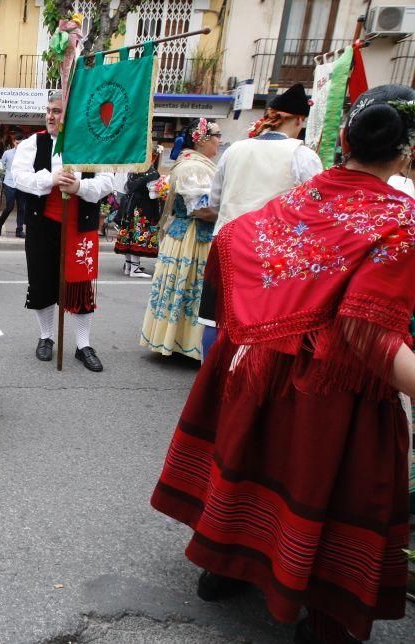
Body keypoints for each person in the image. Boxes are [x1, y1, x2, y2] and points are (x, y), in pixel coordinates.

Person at [151, 84, 415, 644]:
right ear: (405, 152)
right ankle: (323, 612)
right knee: (326, 490)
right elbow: (365, 332)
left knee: (248, 461)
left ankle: (223, 566)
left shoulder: (301, 197)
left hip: (258, 359)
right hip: (330, 387)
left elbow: (237, 243)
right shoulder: (401, 219)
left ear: (342, 139)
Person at [194, 83, 323, 358]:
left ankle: (211, 376)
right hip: (274, 249)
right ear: (300, 119)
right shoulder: (303, 156)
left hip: (228, 241)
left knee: (215, 316)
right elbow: (316, 210)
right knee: (265, 320)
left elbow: (215, 202)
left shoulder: (234, 150)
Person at [12, 91, 120, 372]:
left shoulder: (92, 142)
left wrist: (80, 188)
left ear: (70, 115)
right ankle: (46, 336)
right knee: (41, 284)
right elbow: (17, 177)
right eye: (48, 110)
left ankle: (83, 344)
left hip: (79, 227)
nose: (50, 115)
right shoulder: (32, 143)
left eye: (57, 111)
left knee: (80, 287)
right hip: (42, 225)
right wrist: (50, 179)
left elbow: (109, 181)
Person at [140, 119, 220, 361]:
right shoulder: (192, 167)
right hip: (192, 237)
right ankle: (181, 343)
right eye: (217, 134)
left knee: (186, 289)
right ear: (202, 138)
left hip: (189, 235)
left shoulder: (196, 164)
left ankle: (179, 341)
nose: (220, 140)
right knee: (190, 288)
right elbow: (200, 209)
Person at [113, 145, 163, 278]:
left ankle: (129, 266)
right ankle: (134, 269)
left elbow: (125, 188)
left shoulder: (134, 171)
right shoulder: (152, 173)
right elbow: (153, 194)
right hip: (143, 209)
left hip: (129, 208)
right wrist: (163, 191)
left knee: (130, 236)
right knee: (138, 237)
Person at [0, 132, 25, 238]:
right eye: (17, 143)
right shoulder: (7, 153)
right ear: (13, 142)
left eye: (21, 143)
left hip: (21, 183)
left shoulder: (27, 155)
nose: (19, 145)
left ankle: (19, 230)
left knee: (22, 207)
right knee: (9, 207)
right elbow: (0, 169)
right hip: (9, 183)